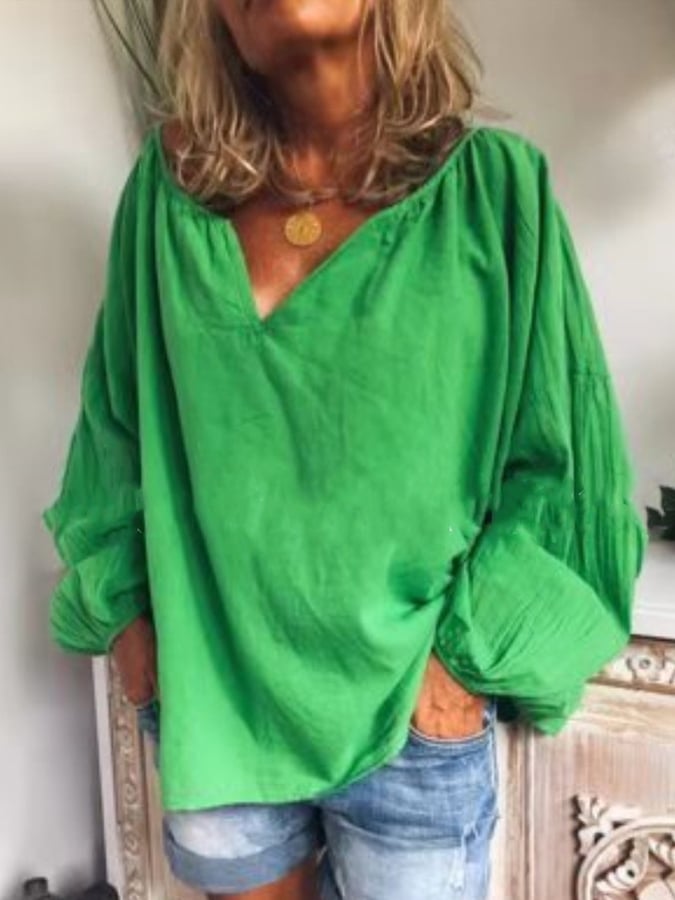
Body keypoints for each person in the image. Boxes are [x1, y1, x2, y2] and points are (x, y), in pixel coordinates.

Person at [41, 1, 647, 898]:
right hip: (213, 706)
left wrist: (455, 675)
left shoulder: (495, 193)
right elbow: (115, 434)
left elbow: (562, 478)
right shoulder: (166, 198)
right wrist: (133, 624)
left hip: (411, 720)